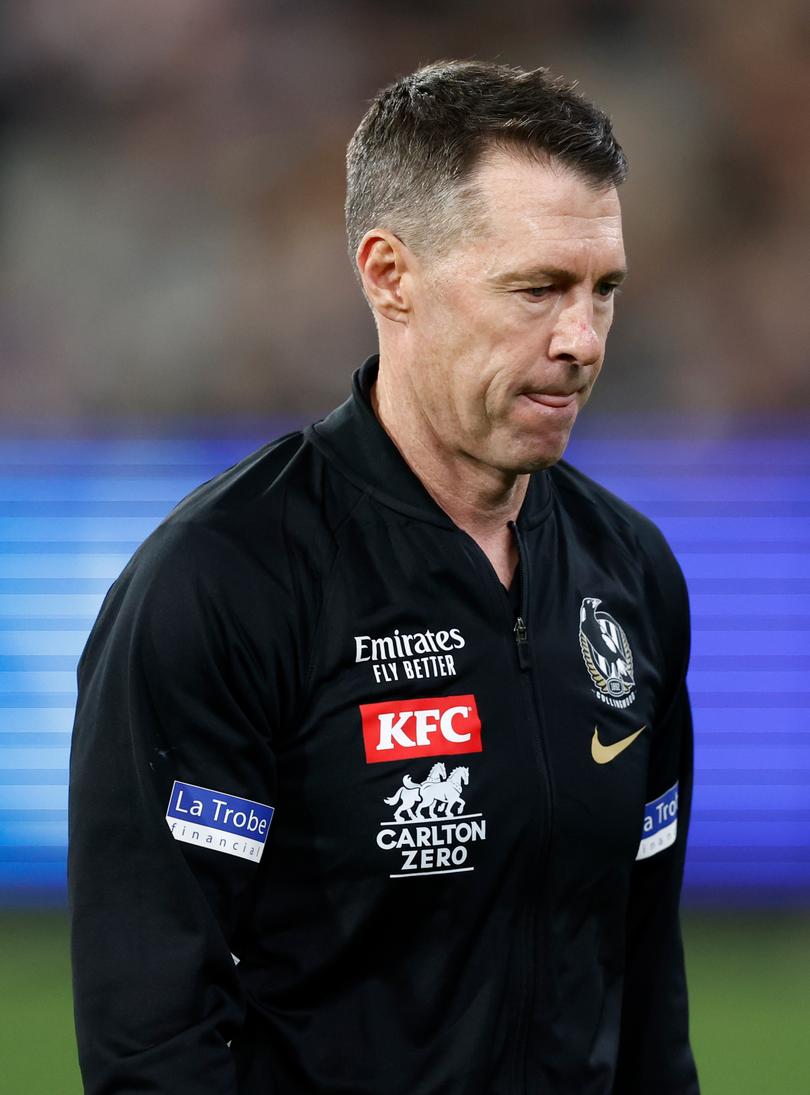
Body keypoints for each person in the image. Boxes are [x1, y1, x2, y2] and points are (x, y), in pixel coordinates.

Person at [69, 60, 700, 1094]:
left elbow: (645, 996)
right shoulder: (221, 585)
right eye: (537, 289)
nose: (581, 341)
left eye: (604, 291)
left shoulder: (630, 574)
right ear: (389, 274)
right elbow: (155, 1037)